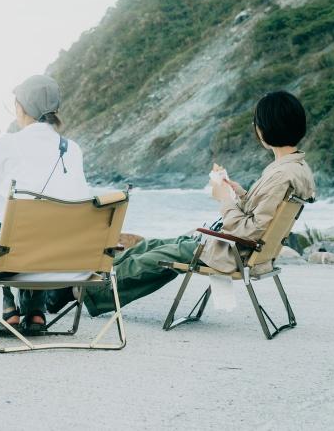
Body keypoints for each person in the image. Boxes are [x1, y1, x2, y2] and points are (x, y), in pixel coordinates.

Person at [48, 90, 316, 317]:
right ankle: (84, 284)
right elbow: (261, 215)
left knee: (157, 257)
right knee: (153, 246)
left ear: (264, 129)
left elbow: (250, 230)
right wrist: (239, 193)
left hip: (233, 252)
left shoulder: (280, 174)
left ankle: (77, 289)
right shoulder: (293, 168)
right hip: (240, 248)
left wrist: (224, 200)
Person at [0, 74, 91, 333]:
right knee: (36, 232)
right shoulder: (73, 149)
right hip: (64, 257)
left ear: (20, 108)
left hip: (14, 257)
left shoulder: (8, 144)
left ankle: (8, 307)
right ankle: (35, 311)